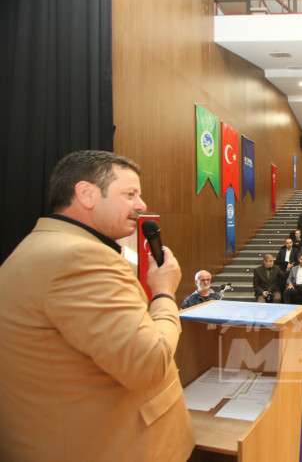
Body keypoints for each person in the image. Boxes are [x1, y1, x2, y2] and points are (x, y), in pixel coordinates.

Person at [0, 150, 194, 461]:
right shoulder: (79, 258)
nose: (142, 205)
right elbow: (149, 363)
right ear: (87, 194)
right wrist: (163, 292)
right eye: (130, 194)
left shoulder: (40, 246)